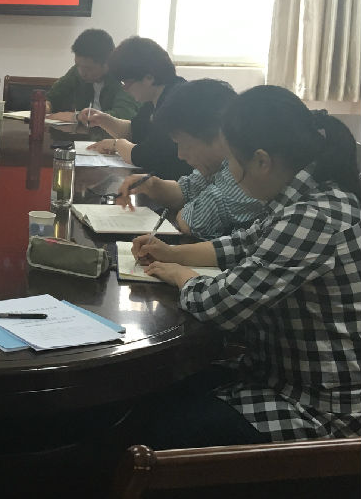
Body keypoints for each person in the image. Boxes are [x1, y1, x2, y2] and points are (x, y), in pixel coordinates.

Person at [130, 85, 361, 447]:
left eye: (231, 162)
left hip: (319, 407)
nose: (228, 172)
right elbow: (242, 244)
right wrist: (172, 253)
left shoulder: (313, 216)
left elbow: (219, 305)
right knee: (148, 396)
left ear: (261, 161)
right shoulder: (306, 196)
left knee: (156, 425)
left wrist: (179, 275)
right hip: (274, 375)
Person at [115, 79, 263, 239]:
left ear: (219, 136)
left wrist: (186, 210)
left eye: (184, 144)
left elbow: (192, 222)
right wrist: (151, 185)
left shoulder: (247, 168)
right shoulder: (219, 163)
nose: (181, 155)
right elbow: (187, 190)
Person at [81, 36, 191, 179]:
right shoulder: (155, 97)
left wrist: (116, 145)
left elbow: (145, 156)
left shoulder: (177, 101)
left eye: (127, 82)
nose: (124, 88)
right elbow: (135, 130)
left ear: (149, 78)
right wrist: (104, 120)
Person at [45, 28, 138, 124]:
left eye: (88, 68)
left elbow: (123, 115)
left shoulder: (124, 79)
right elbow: (52, 98)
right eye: (78, 65)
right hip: (83, 132)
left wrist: (78, 116)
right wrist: (46, 106)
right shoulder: (77, 72)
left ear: (107, 63)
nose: (82, 73)